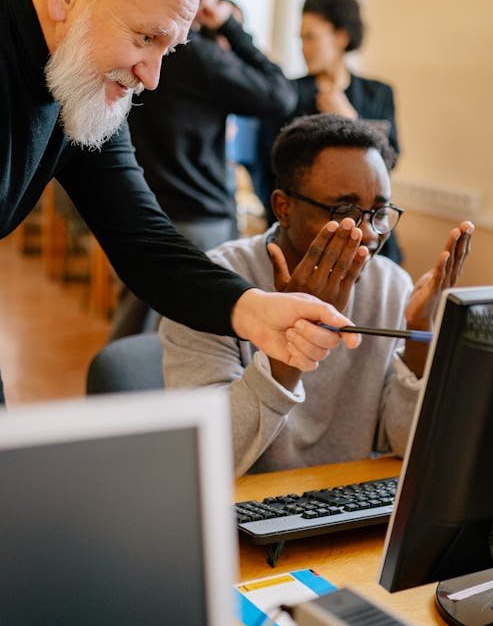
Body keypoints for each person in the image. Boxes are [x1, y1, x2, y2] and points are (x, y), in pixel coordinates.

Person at [0, 0, 358, 408]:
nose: (151, 78)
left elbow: (143, 239)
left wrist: (252, 309)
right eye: (143, 38)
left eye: (167, 49)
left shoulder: (78, 78)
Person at [160, 115, 474, 475]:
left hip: (342, 508)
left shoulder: (391, 286)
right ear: (283, 207)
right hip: (244, 514)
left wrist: (420, 330)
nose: (368, 235)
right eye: (344, 211)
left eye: (380, 212)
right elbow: (206, 459)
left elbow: (403, 444)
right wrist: (294, 341)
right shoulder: (210, 289)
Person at [108, 0, 297, 338]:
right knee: (186, 343)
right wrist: (229, 26)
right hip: (197, 217)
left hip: (143, 206)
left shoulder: (141, 44)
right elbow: (280, 94)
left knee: (135, 332)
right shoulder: (200, 58)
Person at [257, 0, 402, 264]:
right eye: (300, 38)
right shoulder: (287, 93)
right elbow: (268, 167)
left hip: (373, 238)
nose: (303, 47)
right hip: (303, 239)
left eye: (311, 37)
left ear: (341, 37)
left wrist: (351, 119)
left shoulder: (379, 94)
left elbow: (391, 160)